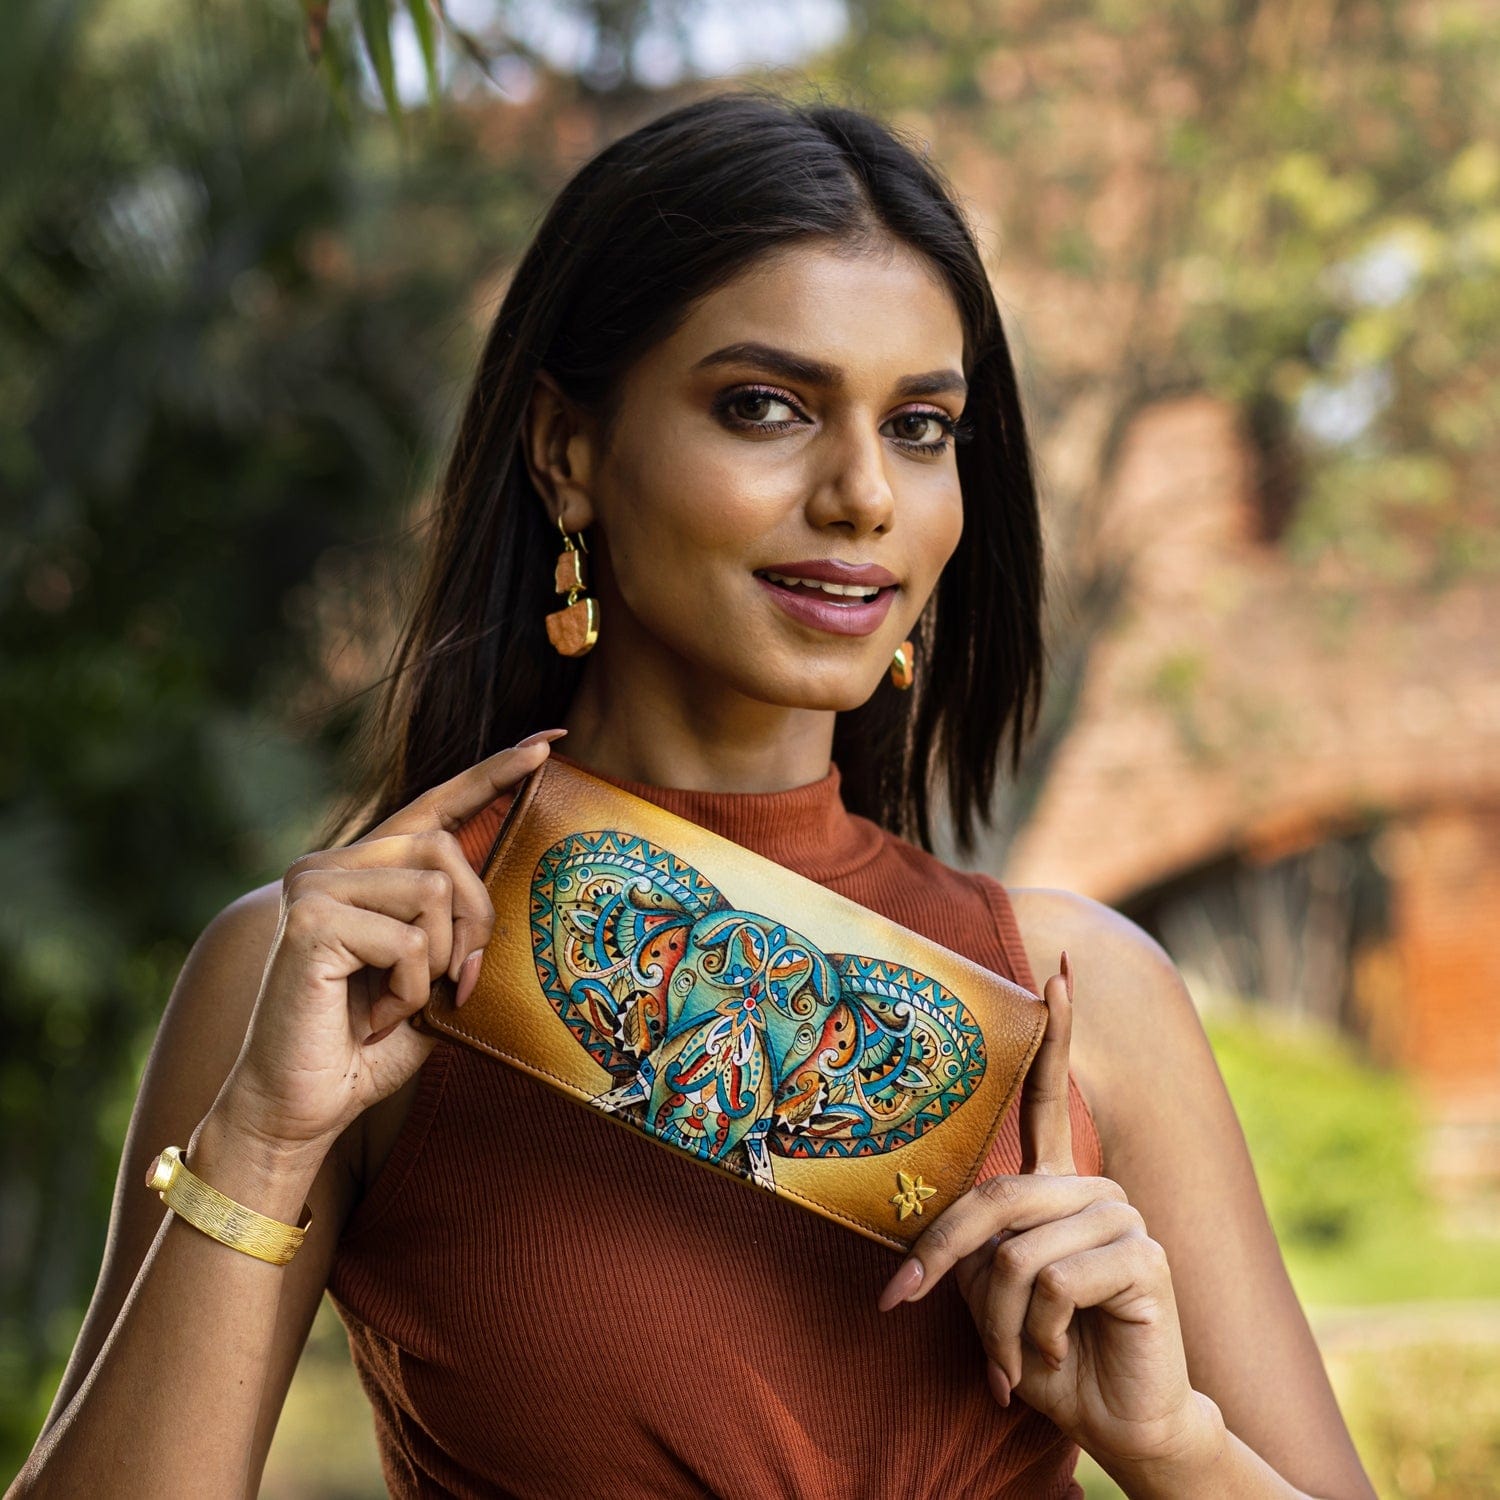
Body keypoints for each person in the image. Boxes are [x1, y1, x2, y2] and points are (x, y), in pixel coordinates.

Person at [11, 90, 1375, 1500]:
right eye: (764, 407)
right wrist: (262, 1138)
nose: (861, 494)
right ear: (567, 451)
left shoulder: (1089, 1001)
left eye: (920, 427)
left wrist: (1170, 1446)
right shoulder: (348, 975)